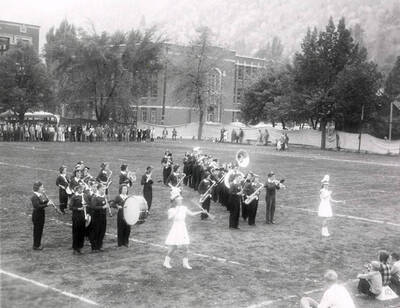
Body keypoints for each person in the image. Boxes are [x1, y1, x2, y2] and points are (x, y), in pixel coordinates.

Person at [163, 189, 204, 269]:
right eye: (179, 200)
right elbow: (170, 218)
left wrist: (201, 212)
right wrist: (177, 210)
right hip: (176, 228)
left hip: (183, 227)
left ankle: (185, 263)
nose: (181, 201)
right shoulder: (171, 210)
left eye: (181, 200)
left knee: (186, 246)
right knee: (173, 247)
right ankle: (166, 262)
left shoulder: (184, 208)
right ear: (175, 201)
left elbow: (191, 214)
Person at [88, 183, 108, 252]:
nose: (104, 190)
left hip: (103, 216)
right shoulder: (95, 197)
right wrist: (102, 207)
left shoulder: (104, 196)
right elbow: (93, 207)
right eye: (103, 189)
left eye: (104, 189)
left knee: (102, 231)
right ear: (99, 189)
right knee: (96, 231)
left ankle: (99, 245)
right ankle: (94, 247)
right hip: (96, 217)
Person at [31, 182, 49, 250]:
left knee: (39, 230)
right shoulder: (34, 197)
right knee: (37, 231)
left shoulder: (39, 195)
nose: (43, 188)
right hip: (37, 216)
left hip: (40, 215)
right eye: (42, 187)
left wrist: (47, 201)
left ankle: (37, 244)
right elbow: (38, 206)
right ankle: (36, 245)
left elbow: (42, 203)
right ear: (38, 188)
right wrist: (47, 205)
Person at [70, 185, 86, 255]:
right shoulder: (74, 197)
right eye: (80, 189)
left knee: (82, 232)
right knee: (76, 233)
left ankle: (80, 247)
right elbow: (70, 207)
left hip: (82, 216)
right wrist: (78, 209)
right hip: (76, 217)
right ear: (77, 190)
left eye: (82, 189)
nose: (82, 190)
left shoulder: (83, 196)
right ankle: (75, 248)